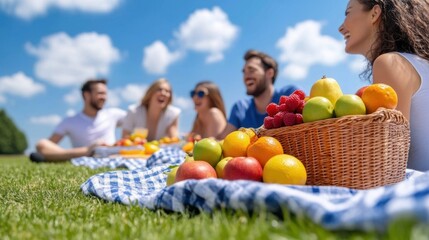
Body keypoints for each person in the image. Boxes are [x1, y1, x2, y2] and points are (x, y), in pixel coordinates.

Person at [338, 0, 429, 171]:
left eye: (347, 13)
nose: (340, 28)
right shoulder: (418, 63)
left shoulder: (390, 63)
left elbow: (389, 160)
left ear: (374, 14)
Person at [30, 79, 126, 162]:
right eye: (100, 93)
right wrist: (87, 150)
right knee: (42, 143)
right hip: (82, 155)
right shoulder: (70, 121)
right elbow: (44, 146)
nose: (104, 98)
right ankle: (87, 152)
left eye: (105, 94)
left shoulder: (114, 114)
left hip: (112, 155)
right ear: (87, 95)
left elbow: (137, 119)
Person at [217, 49, 299, 139]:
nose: (246, 76)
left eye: (251, 70)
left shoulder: (290, 94)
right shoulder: (240, 108)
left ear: (269, 73)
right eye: (244, 72)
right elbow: (222, 140)